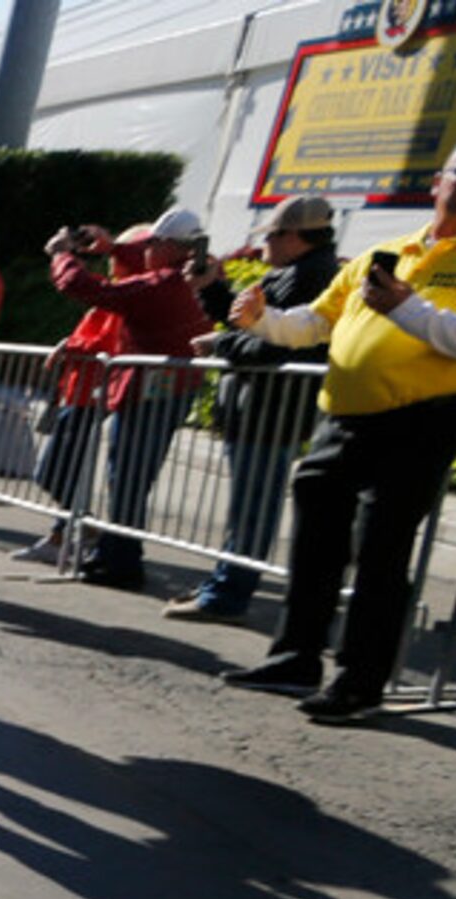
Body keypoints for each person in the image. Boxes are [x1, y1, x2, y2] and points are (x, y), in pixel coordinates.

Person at [222, 135, 456, 718]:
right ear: (440, 181)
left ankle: (360, 681)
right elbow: (315, 324)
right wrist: (263, 321)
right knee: (315, 541)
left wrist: (406, 309)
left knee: (382, 552)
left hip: (423, 419)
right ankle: (296, 656)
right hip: (345, 414)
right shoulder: (386, 251)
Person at [172, 195, 337, 623]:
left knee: (253, 508)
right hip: (261, 410)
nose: (266, 244)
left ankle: (228, 593)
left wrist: (220, 343)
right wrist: (214, 291)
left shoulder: (311, 278)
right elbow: (253, 329)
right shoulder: (298, 274)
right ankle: (224, 585)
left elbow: (275, 343)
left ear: (296, 237)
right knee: (247, 506)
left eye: (274, 235)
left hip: (271, 413)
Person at [44, 211, 210, 589]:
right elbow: (133, 274)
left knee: (129, 477)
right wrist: (111, 245)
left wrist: (61, 255)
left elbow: (92, 289)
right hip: (163, 390)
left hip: (149, 393)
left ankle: (121, 560)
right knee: (129, 478)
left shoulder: (164, 283)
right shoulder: (190, 275)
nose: (146, 251)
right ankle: (116, 553)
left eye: (151, 244)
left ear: (171, 248)